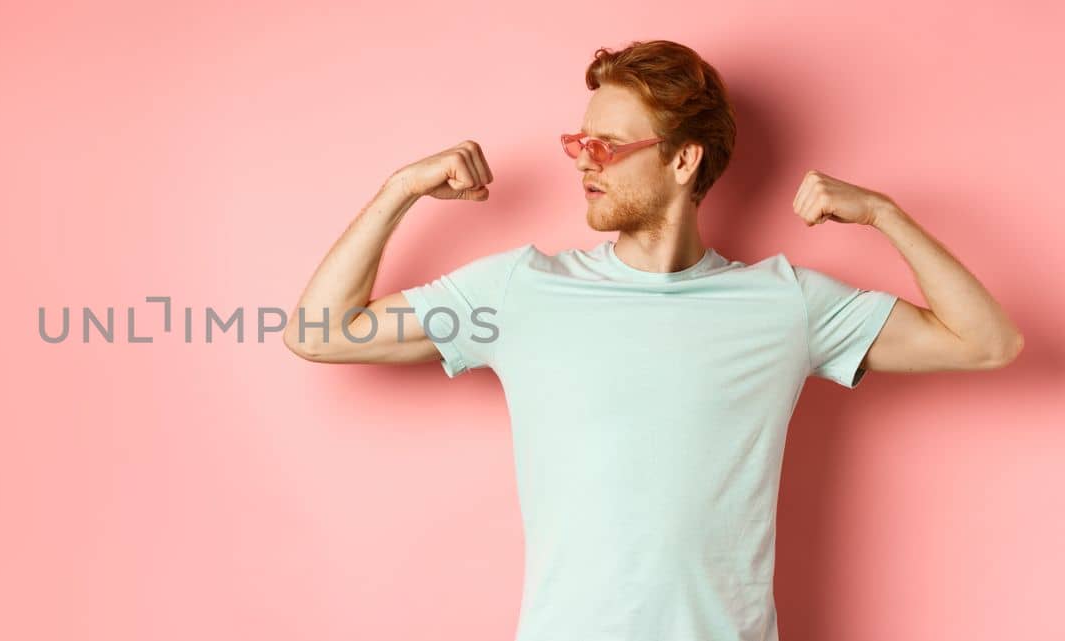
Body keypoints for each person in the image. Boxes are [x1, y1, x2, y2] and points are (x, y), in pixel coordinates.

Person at [282, 40, 1023, 641]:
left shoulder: (782, 304)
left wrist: (884, 215)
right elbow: (320, 332)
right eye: (578, 139)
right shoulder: (519, 292)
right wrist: (399, 190)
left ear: (682, 159)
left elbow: (987, 342)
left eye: (605, 145)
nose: (580, 159)